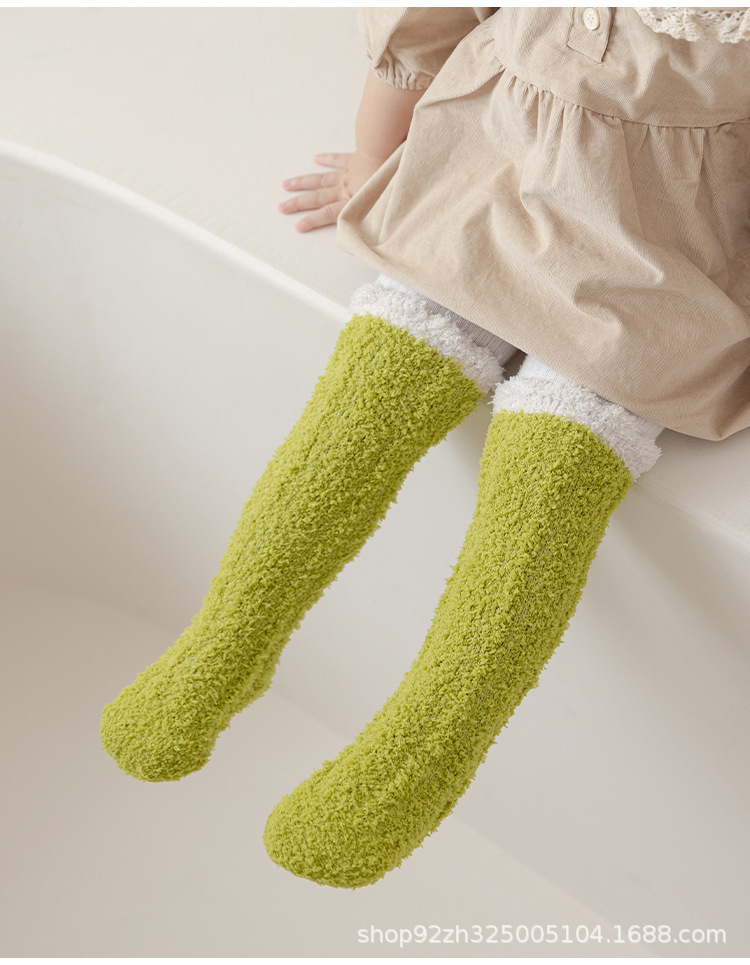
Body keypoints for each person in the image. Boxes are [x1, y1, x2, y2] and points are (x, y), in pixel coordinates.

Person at [100, 7, 750, 889]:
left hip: (661, 258)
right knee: (364, 407)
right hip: (487, 174)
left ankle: (418, 758)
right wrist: (379, 164)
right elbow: (425, 21)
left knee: (548, 492)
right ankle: (222, 648)